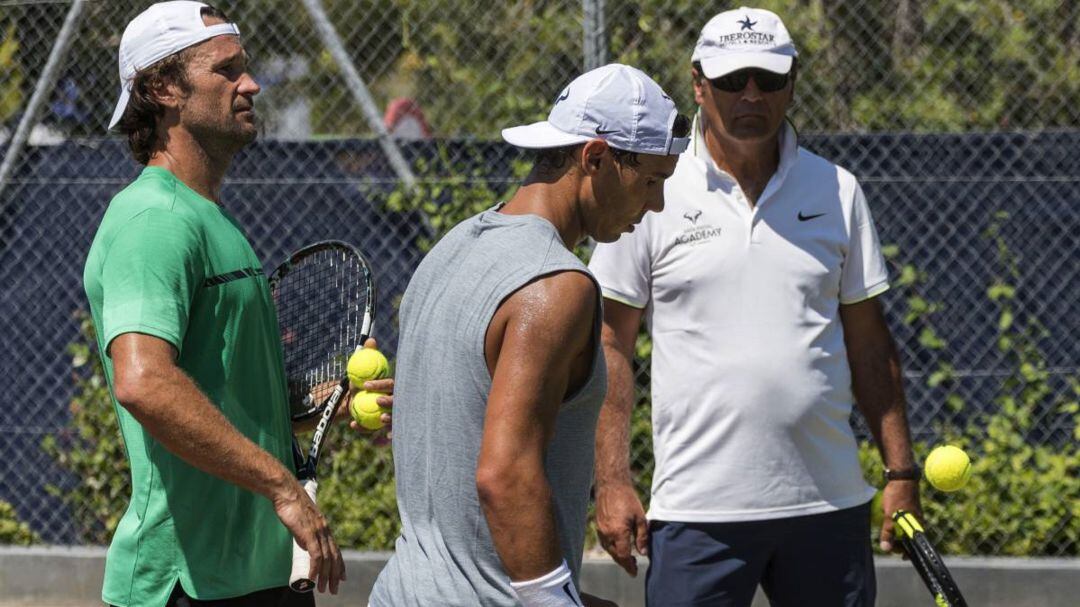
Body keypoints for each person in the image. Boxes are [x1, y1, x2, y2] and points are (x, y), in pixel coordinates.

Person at [588, 8, 922, 607]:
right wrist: (611, 480)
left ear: (791, 83)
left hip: (828, 508)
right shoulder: (653, 187)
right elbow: (611, 343)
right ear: (698, 84)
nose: (750, 95)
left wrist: (901, 472)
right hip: (695, 513)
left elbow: (871, 342)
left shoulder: (837, 190)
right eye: (731, 79)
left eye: (768, 80)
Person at [84, 3, 391, 605]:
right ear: (162, 88)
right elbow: (143, 383)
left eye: (245, 68)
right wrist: (282, 486)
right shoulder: (154, 220)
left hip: (255, 575)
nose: (250, 84)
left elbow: (227, 401)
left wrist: (322, 405)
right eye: (226, 71)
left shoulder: (209, 218)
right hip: (184, 584)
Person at [370, 64, 690, 607]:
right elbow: (504, 475)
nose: (656, 205)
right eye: (653, 180)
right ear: (595, 158)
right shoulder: (560, 285)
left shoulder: (450, 249)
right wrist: (550, 599)